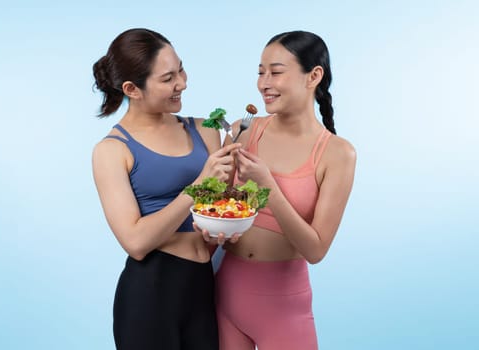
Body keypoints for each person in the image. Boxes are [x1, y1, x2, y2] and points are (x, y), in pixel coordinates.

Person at [91, 28, 241, 350]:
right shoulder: (113, 150)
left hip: (204, 289)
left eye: (181, 69)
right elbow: (136, 242)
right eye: (168, 78)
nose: (182, 83)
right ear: (132, 89)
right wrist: (198, 186)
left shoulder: (206, 129)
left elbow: (218, 209)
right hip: (150, 295)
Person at [213, 30, 357, 349]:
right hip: (224, 294)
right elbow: (218, 207)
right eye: (260, 72)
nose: (264, 82)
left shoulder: (337, 154)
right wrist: (211, 226)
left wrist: (268, 187)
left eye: (276, 72)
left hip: (283, 307)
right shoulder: (243, 131)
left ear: (313, 76)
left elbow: (316, 250)